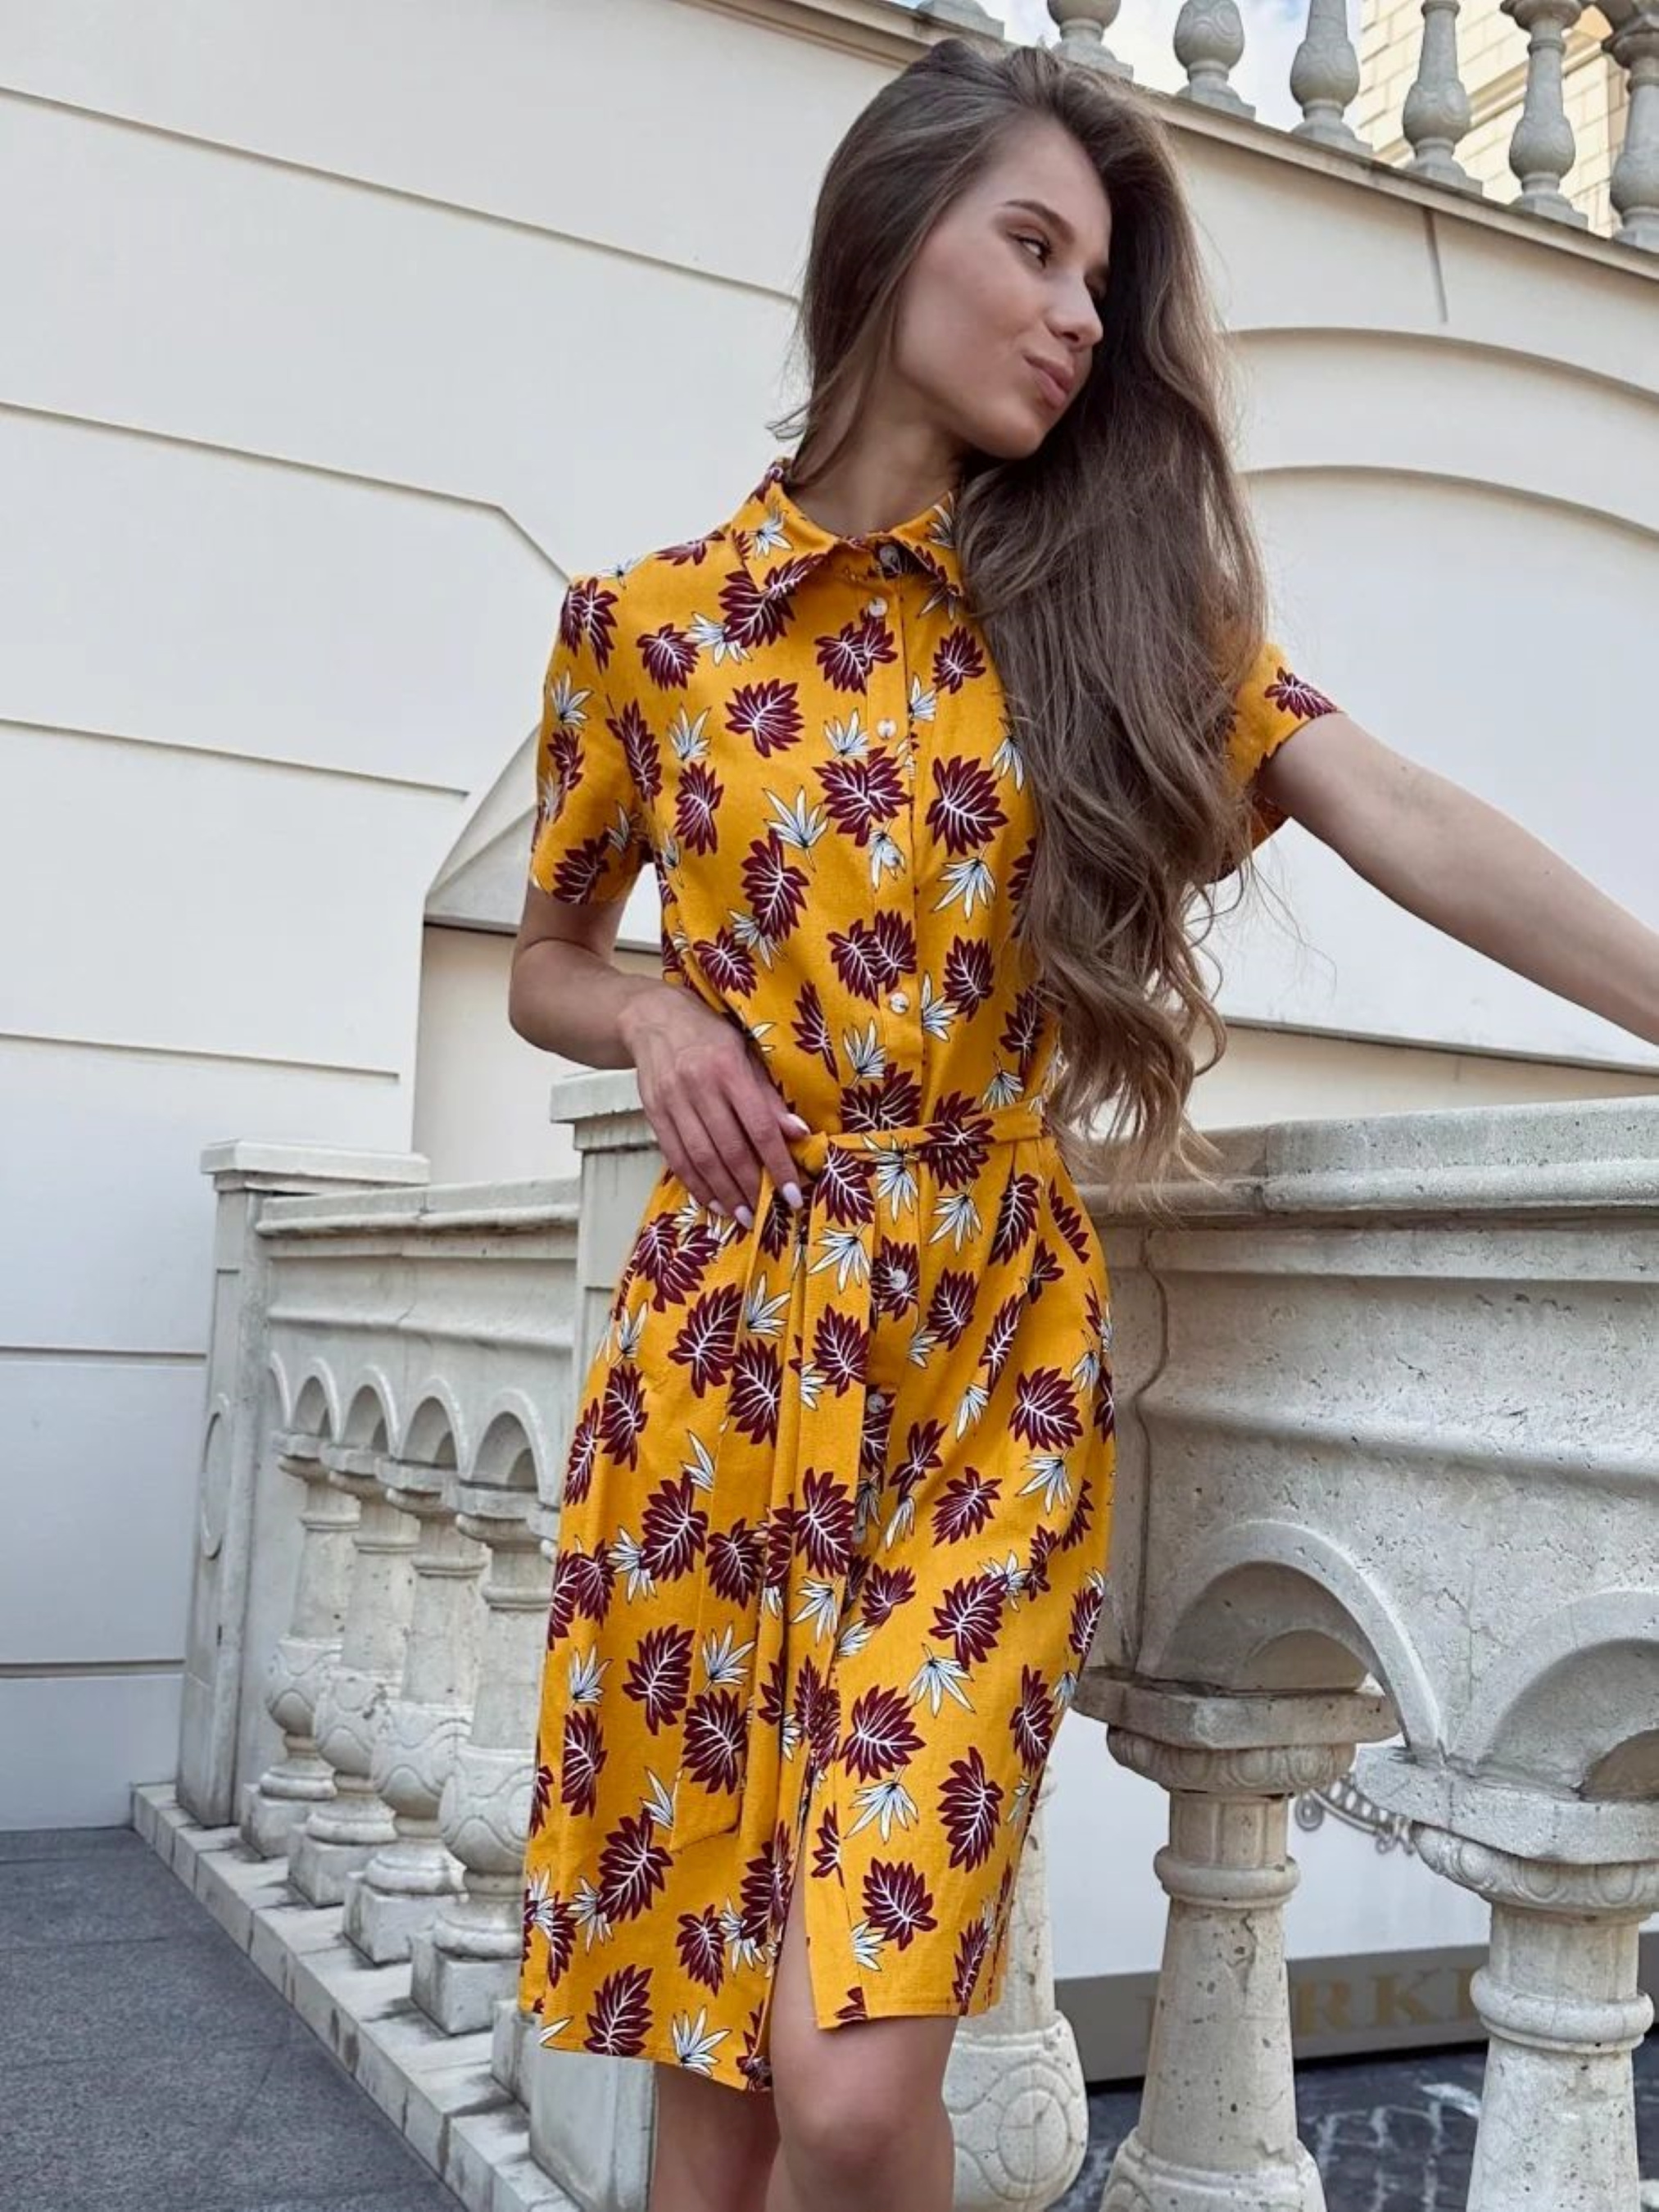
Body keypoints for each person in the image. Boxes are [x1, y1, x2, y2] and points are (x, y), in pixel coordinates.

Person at [506, 36, 1659, 2212]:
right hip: (711, 1378)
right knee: (707, 2093)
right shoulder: (641, 634)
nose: (1073, 319)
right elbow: (541, 957)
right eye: (1032, 249)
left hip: (982, 1374)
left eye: (1098, 286)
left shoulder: (1111, 621)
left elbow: (1403, 812)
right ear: (888, 235)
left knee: (852, 2092)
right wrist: (649, 1008)